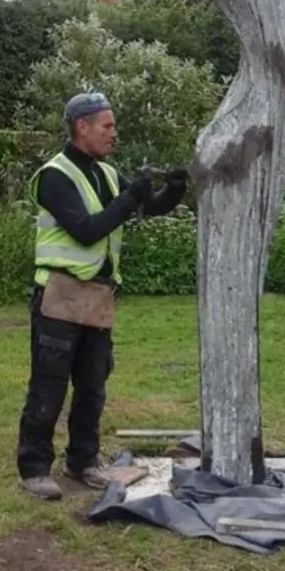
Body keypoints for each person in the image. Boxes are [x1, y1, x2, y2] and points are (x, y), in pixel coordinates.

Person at [17, 92, 188, 500]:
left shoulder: (106, 173)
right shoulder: (55, 176)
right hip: (59, 298)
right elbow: (86, 229)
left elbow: (155, 206)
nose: (114, 133)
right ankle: (34, 469)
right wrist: (131, 198)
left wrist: (176, 188)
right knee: (49, 385)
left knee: (93, 385)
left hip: (97, 299)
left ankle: (83, 461)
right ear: (83, 127)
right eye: (107, 126)